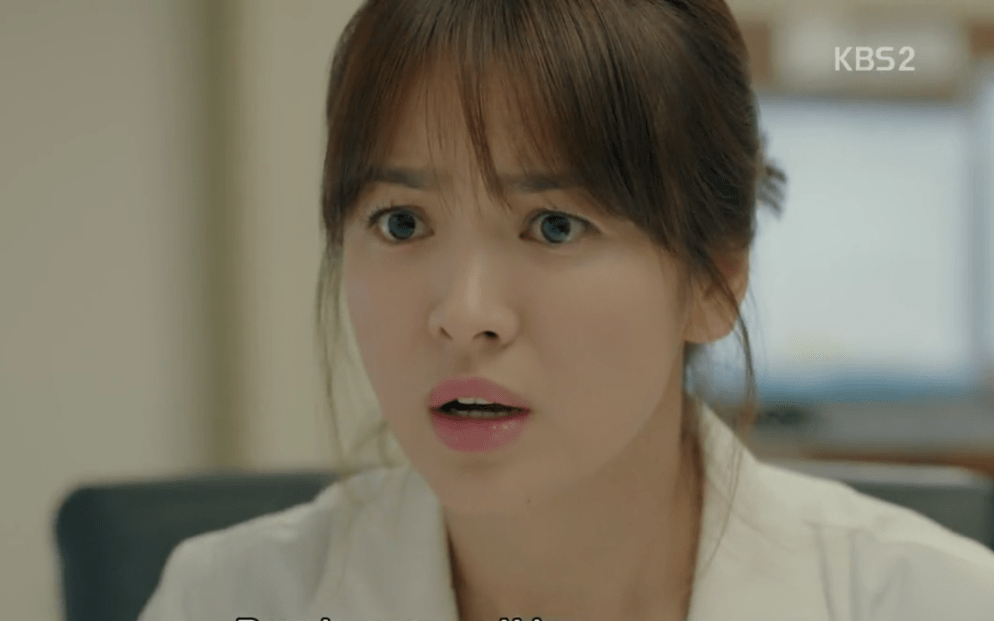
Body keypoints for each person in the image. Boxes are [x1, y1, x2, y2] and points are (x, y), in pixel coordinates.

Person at [140, 1, 994, 619]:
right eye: (401, 222)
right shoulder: (222, 598)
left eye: (555, 225)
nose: (464, 313)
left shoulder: (936, 602)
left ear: (713, 278)